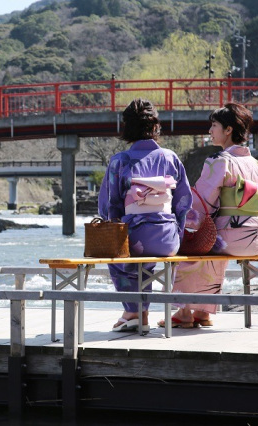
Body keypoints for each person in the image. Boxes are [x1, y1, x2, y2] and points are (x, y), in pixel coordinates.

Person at [159, 103, 258, 328]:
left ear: (228, 130)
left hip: (231, 239)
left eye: (214, 125)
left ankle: (184, 312)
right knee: (215, 239)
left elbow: (202, 204)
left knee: (194, 243)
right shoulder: (257, 165)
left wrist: (179, 220)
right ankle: (203, 312)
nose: (210, 130)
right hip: (256, 239)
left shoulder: (219, 161)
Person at [99, 98, 192, 332]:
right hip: (168, 240)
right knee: (147, 253)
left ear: (127, 127)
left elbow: (109, 206)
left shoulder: (120, 161)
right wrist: (175, 232)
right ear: (155, 126)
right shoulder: (170, 157)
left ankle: (134, 312)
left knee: (119, 254)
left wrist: (119, 223)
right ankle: (141, 313)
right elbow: (183, 202)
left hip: (134, 238)